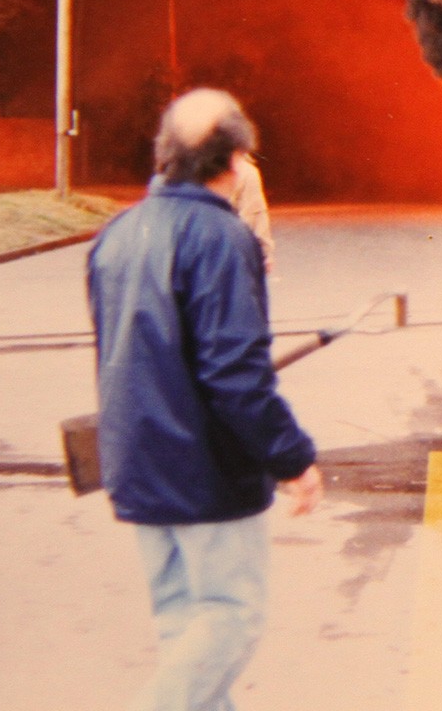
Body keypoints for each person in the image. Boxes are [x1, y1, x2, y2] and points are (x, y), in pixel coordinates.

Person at [87, 88, 323, 711]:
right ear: (238, 159)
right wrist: (292, 458)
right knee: (229, 618)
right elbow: (236, 374)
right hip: (206, 474)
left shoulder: (116, 236)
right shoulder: (221, 239)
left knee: (184, 632)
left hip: (137, 464)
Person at [228, 152, 276, 275]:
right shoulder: (246, 171)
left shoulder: (186, 170)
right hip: (230, 250)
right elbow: (254, 213)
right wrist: (264, 253)